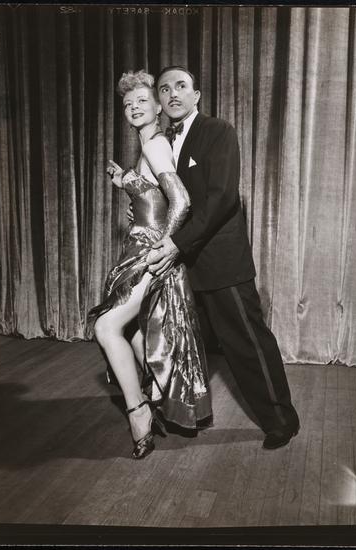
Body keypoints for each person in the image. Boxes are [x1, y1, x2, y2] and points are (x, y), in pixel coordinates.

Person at [146, 66, 300, 450]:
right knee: (176, 344)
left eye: (181, 86)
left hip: (220, 261)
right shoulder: (160, 141)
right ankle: (179, 415)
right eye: (164, 89)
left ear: (196, 95)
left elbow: (221, 199)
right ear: (159, 101)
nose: (173, 94)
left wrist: (177, 244)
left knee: (245, 344)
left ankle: (281, 421)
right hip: (181, 266)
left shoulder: (218, 131)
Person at [88, 70, 212, 460]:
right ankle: (156, 394)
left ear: (158, 107)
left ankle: (138, 411)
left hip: (150, 252)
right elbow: (154, 196)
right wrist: (127, 180)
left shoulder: (156, 146)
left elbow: (181, 202)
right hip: (139, 247)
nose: (134, 107)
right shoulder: (150, 146)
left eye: (142, 100)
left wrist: (163, 247)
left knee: (107, 326)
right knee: (136, 328)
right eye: (128, 104)